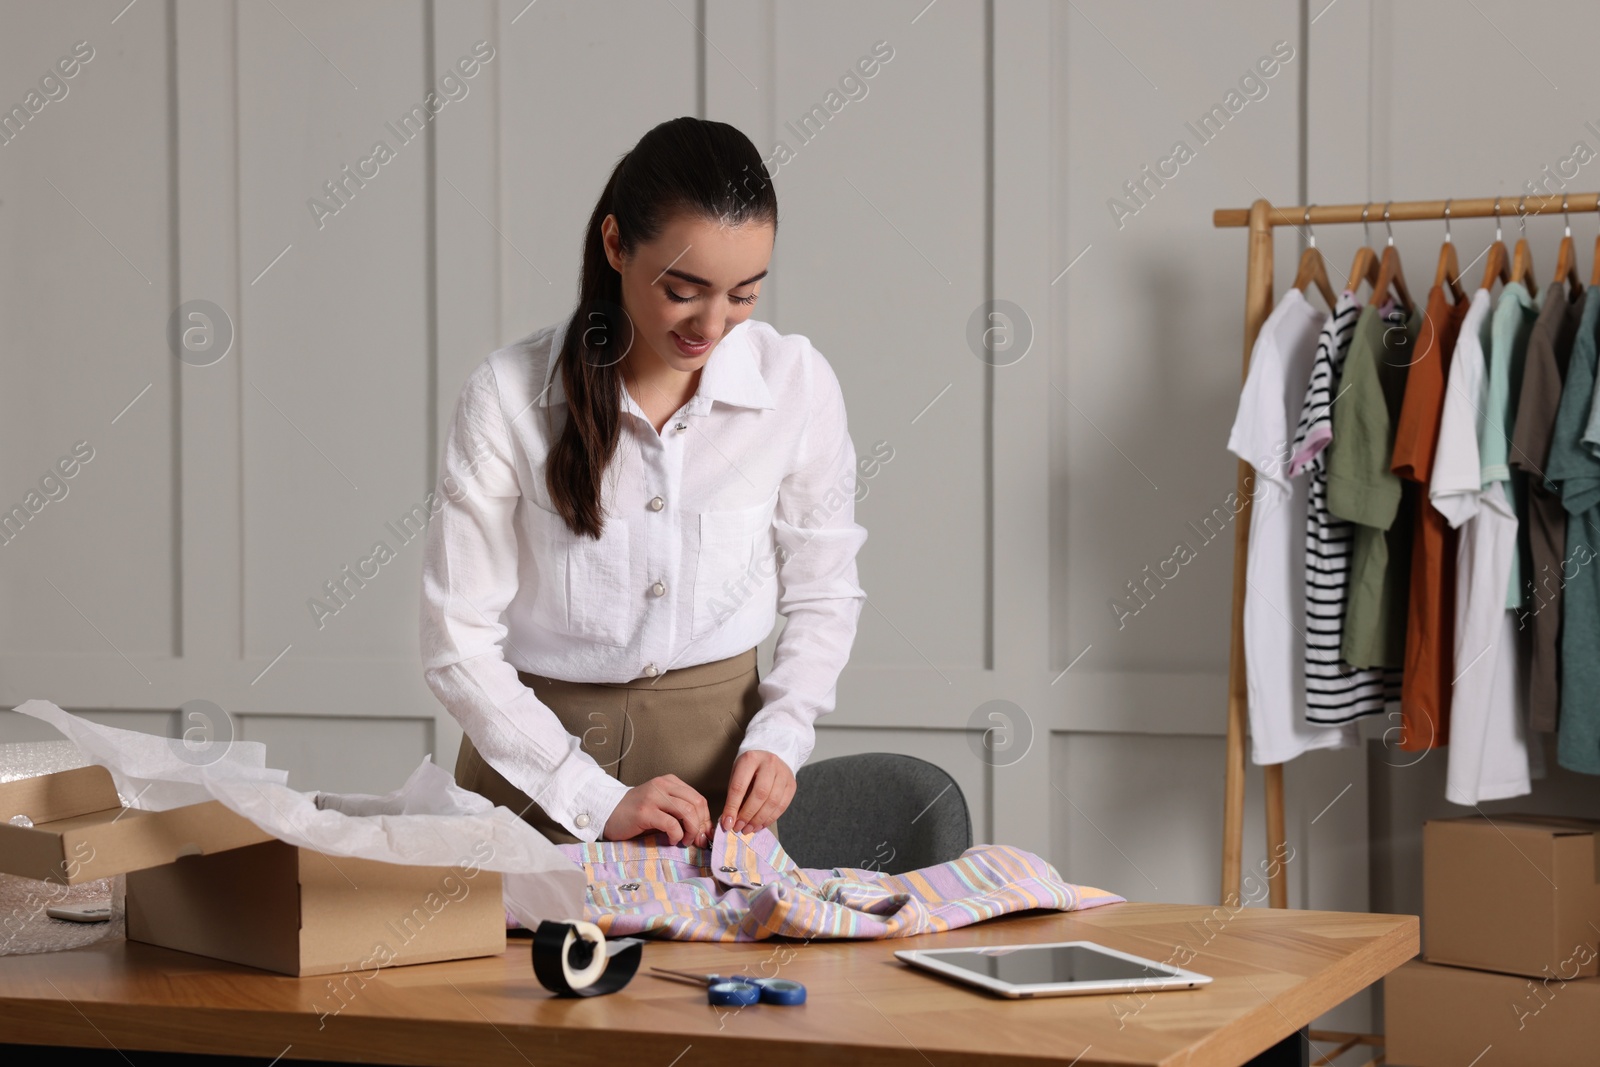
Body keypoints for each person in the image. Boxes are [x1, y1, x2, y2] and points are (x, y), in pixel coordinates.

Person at [419, 117, 868, 848]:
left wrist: (784, 732)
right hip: (532, 781)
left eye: (744, 294)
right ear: (616, 244)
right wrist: (591, 797)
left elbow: (826, 589)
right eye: (684, 290)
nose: (712, 324)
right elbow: (456, 641)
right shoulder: (506, 396)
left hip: (715, 786)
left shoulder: (797, 385)